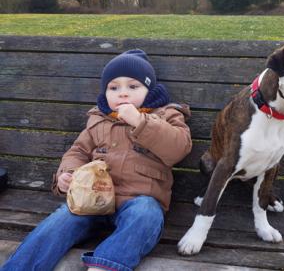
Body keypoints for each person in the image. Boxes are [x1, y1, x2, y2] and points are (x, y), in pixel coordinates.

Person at [0, 50, 192, 271]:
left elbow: (178, 148)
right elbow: (78, 151)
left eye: (133, 86)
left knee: (146, 215)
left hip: (139, 200)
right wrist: (67, 175)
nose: (122, 94)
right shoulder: (98, 119)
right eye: (114, 87)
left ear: (149, 90)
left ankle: (104, 265)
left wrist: (140, 121)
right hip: (92, 198)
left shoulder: (166, 115)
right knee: (62, 220)